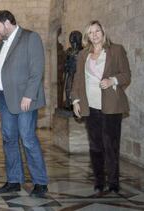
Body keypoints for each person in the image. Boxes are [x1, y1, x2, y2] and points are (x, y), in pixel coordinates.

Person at [0, 10, 49, 197]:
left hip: (24, 100)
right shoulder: (0, 45)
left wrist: (29, 95)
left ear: (7, 23)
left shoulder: (30, 38)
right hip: (6, 99)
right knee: (9, 139)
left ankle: (40, 182)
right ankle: (14, 180)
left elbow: (37, 69)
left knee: (27, 138)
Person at [71, 20, 130, 194]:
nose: (94, 35)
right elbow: (78, 79)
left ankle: (113, 183)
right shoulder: (83, 55)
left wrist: (113, 80)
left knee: (110, 145)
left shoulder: (116, 50)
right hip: (91, 107)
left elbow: (126, 75)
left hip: (111, 106)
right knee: (95, 146)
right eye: (91, 32)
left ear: (103, 32)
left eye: (97, 31)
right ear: (87, 36)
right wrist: (75, 101)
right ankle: (99, 181)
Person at [64, 31, 83, 109]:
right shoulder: (69, 51)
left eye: (74, 41)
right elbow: (66, 62)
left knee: (78, 89)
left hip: (79, 73)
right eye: (72, 42)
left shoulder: (82, 51)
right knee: (68, 88)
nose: (73, 44)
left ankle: (78, 104)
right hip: (70, 72)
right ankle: (69, 104)